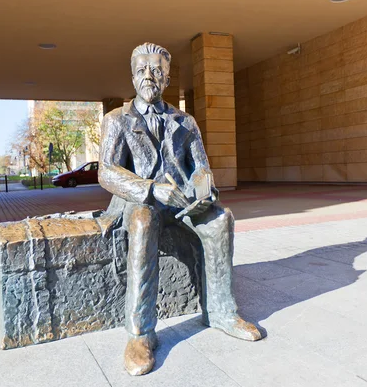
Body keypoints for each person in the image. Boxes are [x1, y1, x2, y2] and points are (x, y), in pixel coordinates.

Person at [99, 42, 263, 376]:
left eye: (157, 70)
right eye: (143, 69)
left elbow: (200, 166)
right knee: (144, 222)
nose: (150, 76)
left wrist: (205, 185)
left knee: (220, 219)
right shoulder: (116, 120)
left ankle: (221, 313)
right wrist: (149, 189)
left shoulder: (185, 121)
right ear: (132, 76)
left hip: (180, 204)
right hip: (138, 203)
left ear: (168, 77)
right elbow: (107, 171)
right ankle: (140, 334)